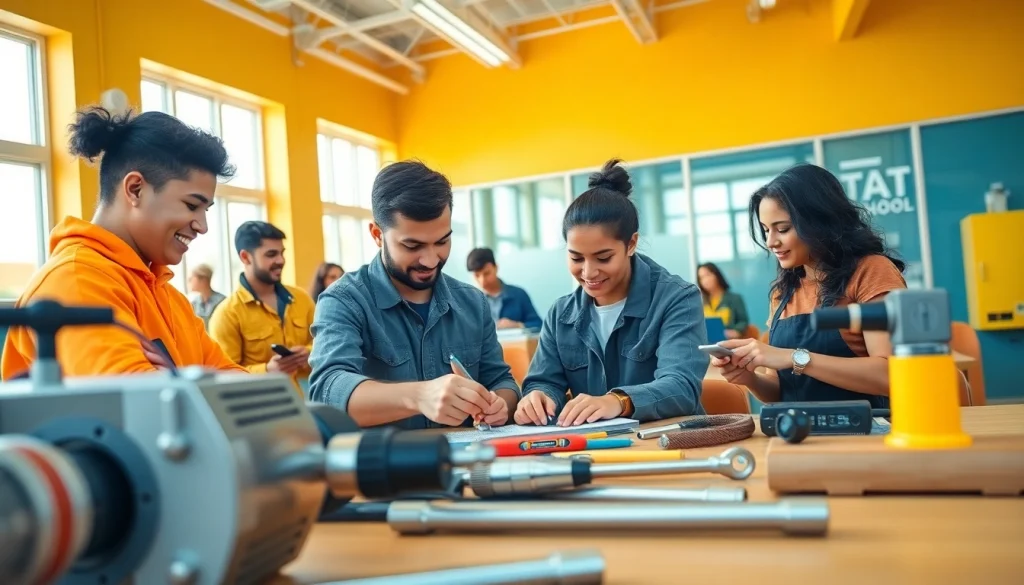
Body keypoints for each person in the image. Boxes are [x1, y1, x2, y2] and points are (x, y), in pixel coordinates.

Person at [1, 106, 245, 379]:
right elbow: (138, 411)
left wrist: (174, 381)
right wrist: (183, 382)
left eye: (205, 210)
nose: (202, 226)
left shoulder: (169, 297)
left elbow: (245, 391)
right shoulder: (76, 281)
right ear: (135, 189)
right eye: (191, 205)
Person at [307, 161, 520, 429]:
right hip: (383, 466)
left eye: (442, 241)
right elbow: (328, 391)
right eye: (412, 245)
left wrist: (500, 404)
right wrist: (419, 396)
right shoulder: (344, 301)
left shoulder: (472, 302)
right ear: (377, 234)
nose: (431, 260)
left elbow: (501, 380)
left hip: (466, 464)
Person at [515, 159, 709, 427]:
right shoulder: (561, 314)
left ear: (631, 244)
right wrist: (538, 397)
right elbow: (544, 381)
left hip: (666, 446)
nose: (589, 272)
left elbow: (681, 387)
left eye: (603, 258)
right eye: (576, 258)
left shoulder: (677, 298)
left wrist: (617, 401)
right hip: (593, 449)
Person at [711, 163, 906, 407]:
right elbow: (779, 390)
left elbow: (892, 375)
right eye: (765, 230)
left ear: (819, 221)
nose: (771, 242)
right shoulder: (783, 291)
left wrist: (794, 358)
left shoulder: (871, 270)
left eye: (783, 229)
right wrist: (750, 379)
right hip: (798, 433)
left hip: (867, 432)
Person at [208, 222, 316, 393]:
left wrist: (310, 353)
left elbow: (324, 342)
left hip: (305, 404)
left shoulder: (301, 299)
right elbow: (222, 376)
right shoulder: (227, 314)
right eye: (271, 254)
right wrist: (266, 371)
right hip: (258, 411)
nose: (280, 260)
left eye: (282, 253)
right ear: (245, 257)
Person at [466, 247, 542, 330]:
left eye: (487, 273)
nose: (482, 281)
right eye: (477, 276)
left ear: (496, 268)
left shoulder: (518, 294)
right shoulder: (472, 301)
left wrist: (518, 325)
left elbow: (538, 324)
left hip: (515, 343)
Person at [697, 262, 750, 339]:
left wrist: (736, 331)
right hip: (707, 342)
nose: (705, 280)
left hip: (729, 342)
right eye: (701, 278)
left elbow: (743, 321)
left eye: (707, 275)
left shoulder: (734, 298)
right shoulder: (700, 302)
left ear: (717, 275)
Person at [188, 263, 226, 328]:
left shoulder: (223, 302)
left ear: (204, 280)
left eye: (191, 278)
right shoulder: (193, 304)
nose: (189, 281)